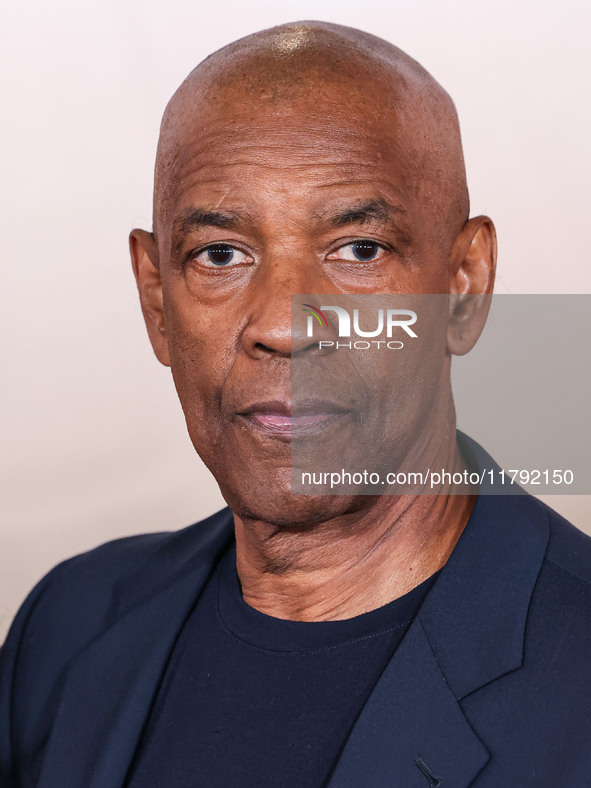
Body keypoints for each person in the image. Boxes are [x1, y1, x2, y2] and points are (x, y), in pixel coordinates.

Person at [1, 20, 590, 788]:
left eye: (358, 250)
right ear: (155, 302)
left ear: (463, 288)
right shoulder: (67, 627)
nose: (282, 325)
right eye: (220, 256)